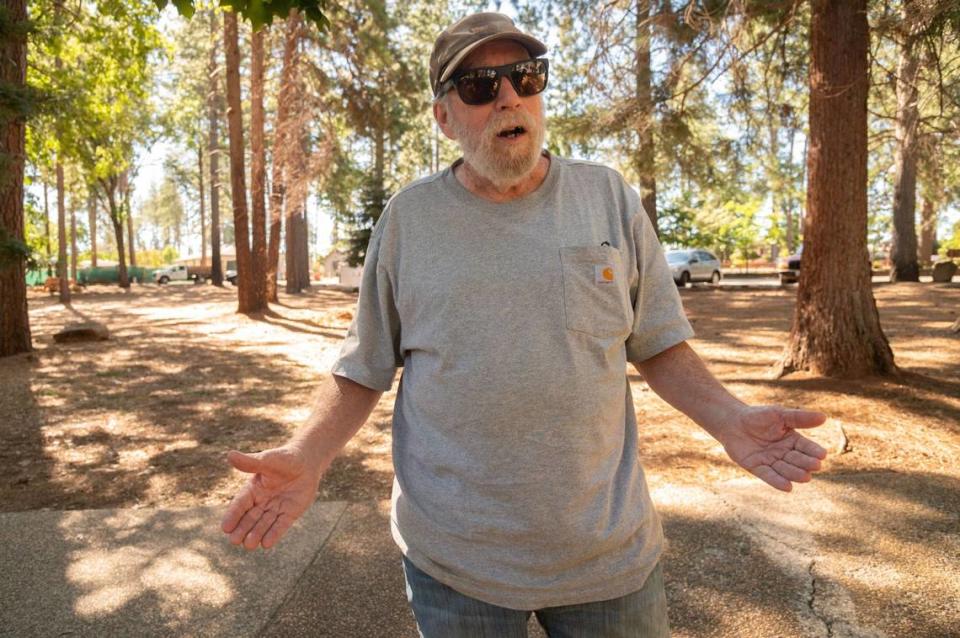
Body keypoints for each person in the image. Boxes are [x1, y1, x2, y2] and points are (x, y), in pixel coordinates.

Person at [220, 12, 829, 637]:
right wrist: (306, 455)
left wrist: (729, 418)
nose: (508, 96)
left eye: (525, 77)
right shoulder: (409, 220)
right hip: (456, 562)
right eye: (479, 87)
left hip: (607, 554)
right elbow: (363, 364)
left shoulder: (607, 198)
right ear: (444, 117)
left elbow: (658, 341)